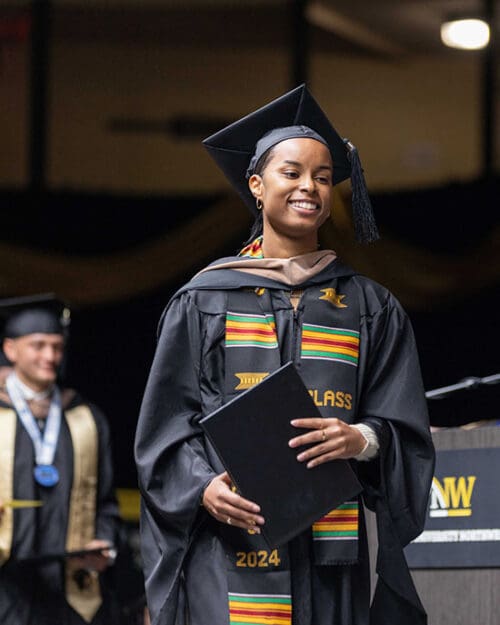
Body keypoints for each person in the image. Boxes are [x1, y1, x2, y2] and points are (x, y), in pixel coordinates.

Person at [135, 85, 435, 625]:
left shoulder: (369, 306)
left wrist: (361, 439)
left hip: (331, 553)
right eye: (291, 173)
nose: (309, 187)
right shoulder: (205, 300)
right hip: (230, 552)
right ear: (256, 184)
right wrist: (202, 488)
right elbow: (164, 430)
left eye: (323, 177)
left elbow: (403, 425)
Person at [0, 294, 121, 625]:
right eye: (38, 346)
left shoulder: (84, 418)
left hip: (70, 591)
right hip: (6, 589)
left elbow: (106, 503)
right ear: (11, 350)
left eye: (56, 346)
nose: (50, 356)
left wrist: (105, 544)